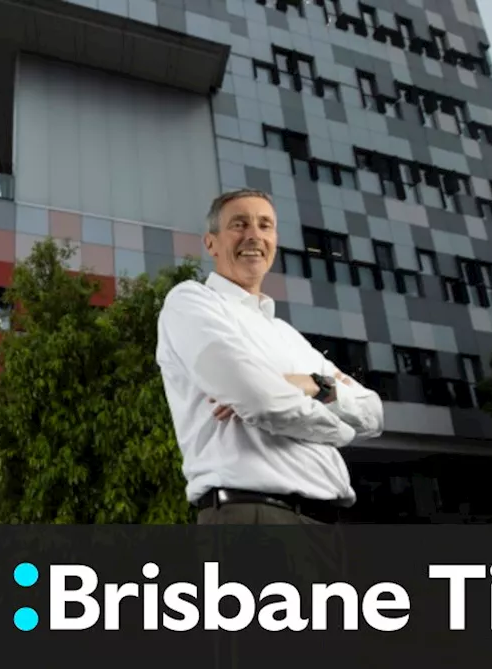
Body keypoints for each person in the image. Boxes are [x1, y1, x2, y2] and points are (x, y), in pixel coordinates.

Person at [155, 188, 385, 525]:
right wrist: (342, 433)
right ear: (211, 243)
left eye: (265, 225)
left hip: (324, 523)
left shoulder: (286, 336)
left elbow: (373, 413)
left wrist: (309, 383)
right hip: (254, 515)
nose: (254, 235)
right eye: (239, 224)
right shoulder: (192, 302)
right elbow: (262, 401)